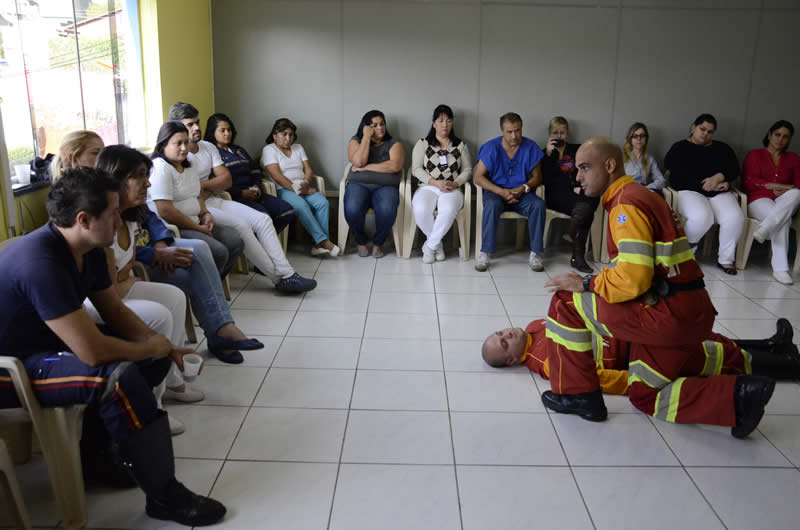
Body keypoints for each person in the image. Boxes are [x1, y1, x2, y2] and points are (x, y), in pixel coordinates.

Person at [0, 169, 226, 525]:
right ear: (83, 219)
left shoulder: (88, 249)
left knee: (152, 362)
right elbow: (93, 353)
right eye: (113, 213)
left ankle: (98, 458)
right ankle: (164, 495)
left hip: (46, 346)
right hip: (9, 367)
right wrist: (148, 348)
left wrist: (165, 348)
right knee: (119, 377)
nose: (121, 220)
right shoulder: (40, 262)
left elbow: (114, 311)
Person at [541, 137, 774, 439]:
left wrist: (586, 282)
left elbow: (634, 279)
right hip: (691, 312)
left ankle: (577, 396)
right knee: (645, 395)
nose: (578, 176)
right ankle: (738, 395)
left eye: (585, 168)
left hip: (666, 315)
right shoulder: (642, 195)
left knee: (565, 303)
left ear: (610, 165)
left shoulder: (624, 205)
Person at [97, 144, 266, 366]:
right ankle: (219, 333)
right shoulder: (97, 211)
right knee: (193, 275)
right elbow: (116, 254)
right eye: (140, 177)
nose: (147, 183)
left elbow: (153, 220)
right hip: (137, 264)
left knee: (200, 250)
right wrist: (154, 256)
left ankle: (222, 329)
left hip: (150, 249)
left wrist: (160, 245)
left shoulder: (130, 206)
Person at [168, 102, 316, 293]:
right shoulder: (175, 153)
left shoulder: (207, 147)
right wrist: (207, 186)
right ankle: (281, 278)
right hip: (195, 207)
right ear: (176, 127)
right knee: (242, 226)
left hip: (214, 199)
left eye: (197, 122)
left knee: (262, 219)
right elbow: (187, 191)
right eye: (190, 125)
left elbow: (226, 179)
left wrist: (202, 186)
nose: (197, 128)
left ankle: (287, 274)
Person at [483, 318, 800, 393]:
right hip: (638, 353)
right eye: (504, 345)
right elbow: (600, 379)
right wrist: (641, 382)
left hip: (629, 329)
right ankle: (789, 367)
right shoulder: (548, 364)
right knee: (714, 356)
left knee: (704, 334)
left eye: (500, 334)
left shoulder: (533, 326)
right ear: (513, 361)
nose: (506, 336)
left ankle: (772, 346)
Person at [148, 121, 245, 280]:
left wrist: (205, 213)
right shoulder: (160, 168)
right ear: (163, 144)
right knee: (219, 252)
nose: (184, 148)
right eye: (178, 143)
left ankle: (212, 284)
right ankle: (206, 290)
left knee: (236, 242)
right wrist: (198, 228)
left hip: (197, 222)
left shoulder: (189, 164)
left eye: (186, 142)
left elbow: (197, 193)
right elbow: (165, 211)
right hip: (177, 228)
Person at [664, 113, 744, 275]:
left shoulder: (722, 148)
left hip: (718, 191)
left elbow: (734, 169)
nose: (705, 134)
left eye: (710, 131)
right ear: (693, 127)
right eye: (702, 129)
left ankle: (726, 260)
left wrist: (720, 178)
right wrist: (706, 184)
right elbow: (675, 173)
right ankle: (685, 252)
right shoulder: (679, 147)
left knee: (735, 217)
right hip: (689, 190)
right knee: (702, 217)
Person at [474, 112, 546, 272]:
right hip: (496, 192)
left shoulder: (530, 147)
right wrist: (501, 192)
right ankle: (485, 253)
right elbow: (478, 178)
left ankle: (536, 253)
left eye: (518, 130)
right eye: (509, 131)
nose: (514, 135)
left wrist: (522, 189)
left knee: (538, 205)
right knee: (491, 205)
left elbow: (537, 177)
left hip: (522, 193)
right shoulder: (491, 147)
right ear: (502, 131)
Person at [203, 113, 296, 235]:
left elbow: (255, 170)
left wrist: (257, 186)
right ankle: (262, 248)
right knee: (263, 216)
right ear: (212, 132)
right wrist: (241, 193)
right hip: (235, 196)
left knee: (286, 211)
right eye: (223, 130)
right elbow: (218, 182)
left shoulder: (239, 150)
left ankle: (263, 242)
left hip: (255, 192)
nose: (227, 133)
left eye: (229, 129)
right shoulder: (211, 153)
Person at [261, 118, 340, 256]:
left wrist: (305, 184)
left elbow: (308, 170)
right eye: (284, 134)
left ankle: (317, 246)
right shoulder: (269, 150)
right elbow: (277, 177)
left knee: (323, 202)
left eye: (291, 134)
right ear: (274, 135)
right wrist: (302, 190)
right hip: (283, 190)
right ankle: (324, 241)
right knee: (301, 205)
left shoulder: (298, 147)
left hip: (303, 187)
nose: (288, 138)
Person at [410, 104, 472, 263]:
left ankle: (429, 248)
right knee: (421, 208)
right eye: (441, 120)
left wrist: (456, 183)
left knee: (449, 208)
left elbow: (468, 170)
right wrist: (434, 182)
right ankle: (437, 245)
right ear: (433, 123)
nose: (445, 124)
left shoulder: (460, 145)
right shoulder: (423, 143)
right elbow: (416, 169)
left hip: (452, 188)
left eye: (449, 120)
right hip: (428, 187)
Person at [742, 120, 800, 285]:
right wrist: (773, 188)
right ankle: (781, 269)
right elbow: (748, 182)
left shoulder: (794, 158)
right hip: (758, 199)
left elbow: (798, 184)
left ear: (789, 140)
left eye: (785, 137)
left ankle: (765, 229)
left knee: (796, 193)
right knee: (783, 219)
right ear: (769, 135)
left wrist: (785, 189)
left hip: (784, 200)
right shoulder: (755, 154)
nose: (780, 139)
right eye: (777, 134)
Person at [541, 116, 599, 273]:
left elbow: (589, 170)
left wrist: (581, 185)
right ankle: (577, 256)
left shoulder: (577, 150)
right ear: (550, 134)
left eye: (563, 132)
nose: (559, 136)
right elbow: (545, 179)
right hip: (557, 196)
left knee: (591, 198)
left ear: (567, 133)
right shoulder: (545, 153)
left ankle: (573, 231)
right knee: (587, 209)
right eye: (555, 132)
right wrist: (548, 154)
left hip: (580, 193)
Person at [345, 109, 405, 258]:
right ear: (366, 127)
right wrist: (366, 138)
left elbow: (394, 166)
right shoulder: (356, 141)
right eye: (374, 125)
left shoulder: (394, 143)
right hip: (358, 185)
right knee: (352, 208)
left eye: (382, 124)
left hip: (385, 187)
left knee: (387, 209)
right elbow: (358, 161)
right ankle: (361, 241)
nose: (380, 127)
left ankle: (379, 243)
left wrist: (365, 168)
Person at [623, 122, 665, 192]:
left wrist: (647, 188)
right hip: (625, 192)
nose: (639, 139)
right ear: (630, 138)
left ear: (646, 138)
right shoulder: (622, 157)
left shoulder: (650, 159)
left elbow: (661, 180)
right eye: (635, 136)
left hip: (642, 193)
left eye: (642, 136)